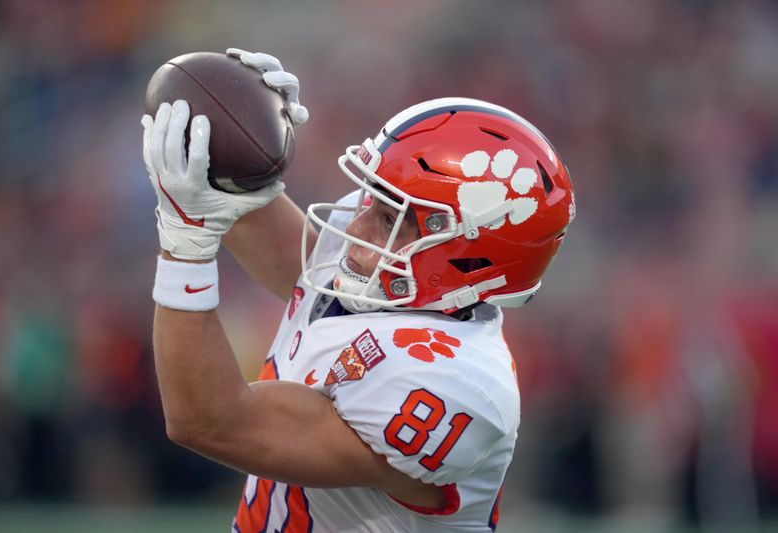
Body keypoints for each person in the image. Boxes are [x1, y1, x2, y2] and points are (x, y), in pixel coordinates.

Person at [142, 48, 575, 532]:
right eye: (374, 197)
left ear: (466, 253)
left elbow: (212, 422)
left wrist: (184, 248)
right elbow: (300, 267)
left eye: (389, 216)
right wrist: (233, 149)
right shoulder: (390, 266)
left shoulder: (455, 384)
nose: (358, 221)